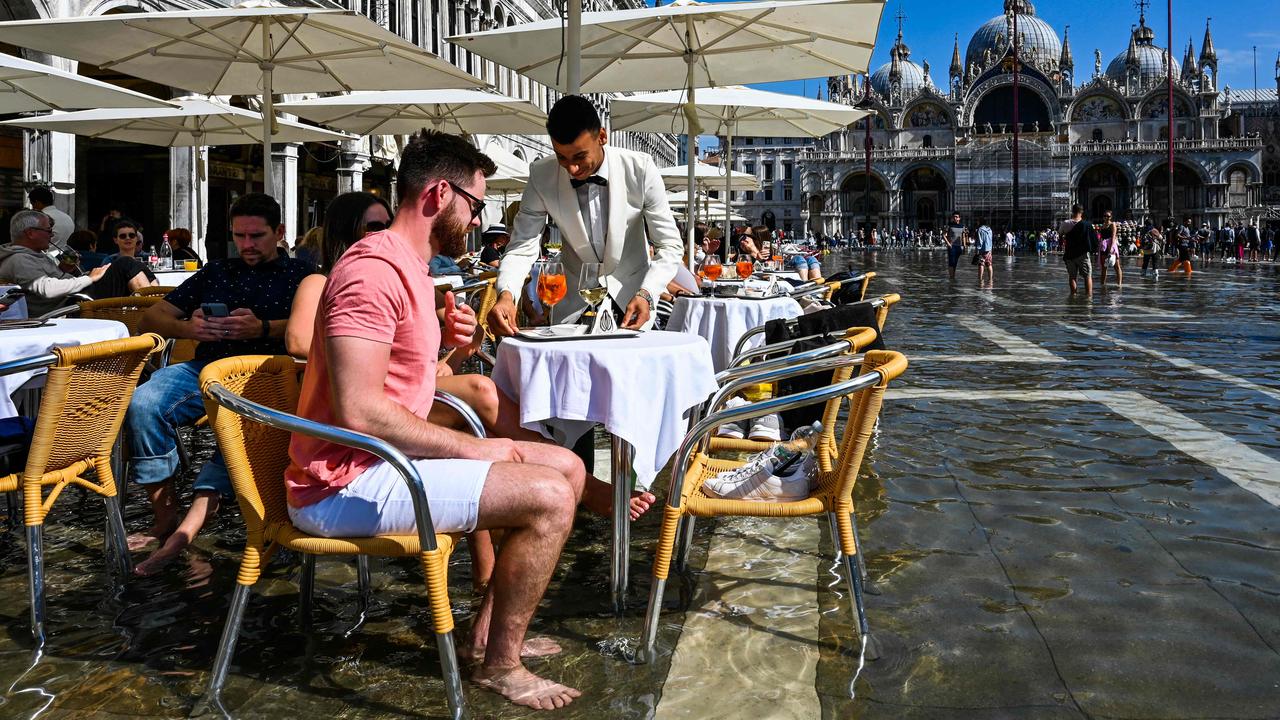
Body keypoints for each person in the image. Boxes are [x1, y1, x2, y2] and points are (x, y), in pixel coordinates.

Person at [288, 130, 584, 710]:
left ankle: (487, 637)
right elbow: (360, 410)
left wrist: (448, 352)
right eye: (474, 204)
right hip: (340, 482)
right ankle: (502, 666)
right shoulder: (371, 272)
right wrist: (470, 449)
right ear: (439, 194)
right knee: (547, 495)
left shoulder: (413, 270)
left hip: (382, 464)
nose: (476, 219)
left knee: (569, 468)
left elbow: (403, 388)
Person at [124, 193, 312, 576]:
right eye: (239, 236)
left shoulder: (302, 276)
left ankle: (198, 524)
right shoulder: (218, 271)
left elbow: (312, 330)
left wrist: (261, 327)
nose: (246, 245)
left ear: (279, 232)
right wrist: (189, 328)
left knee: (239, 434)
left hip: (270, 378)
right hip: (205, 369)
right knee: (142, 403)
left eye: (256, 236)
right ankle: (165, 516)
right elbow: (152, 318)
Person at [487, 94, 681, 334]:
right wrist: (506, 295)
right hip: (572, 309)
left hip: (632, 303)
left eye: (579, 156)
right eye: (562, 157)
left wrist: (648, 293)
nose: (572, 168)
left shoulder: (640, 169)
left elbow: (670, 246)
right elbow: (521, 247)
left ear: (602, 136)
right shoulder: (541, 175)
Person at [0, 210, 154, 317]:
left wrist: (65, 269)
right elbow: (47, 288)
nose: (52, 234)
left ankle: (157, 305)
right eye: (48, 230)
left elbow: (51, 281)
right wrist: (89, 279)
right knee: (125, 263)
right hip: (69, 307)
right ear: (30, 233)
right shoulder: (19, 259)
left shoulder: (34, 255)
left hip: (73, 300)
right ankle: (155, 311)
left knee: (133, 266)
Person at [1060, 204, 1094, 296]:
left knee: (1072, 277)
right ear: (1082, 212)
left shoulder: (1065, 223)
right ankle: (1088, 297)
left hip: (1070, 254)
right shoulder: (1087, 225)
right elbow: (1093, 240)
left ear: (1072, 211)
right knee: (1087, 276)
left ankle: (1073, 296)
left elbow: (1060, 236)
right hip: (1083, 254)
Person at [28, 186, 73, 252]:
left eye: (32, 204)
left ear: (37, 202)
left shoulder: (39, 218)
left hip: (44, 258)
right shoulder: (67, 217)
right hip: (64, 257)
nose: (32, 207)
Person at [1097, 211, 1122, 287]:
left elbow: (1113, 236)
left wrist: (1111, 248)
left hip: (1111, 246)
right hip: (1104, 247)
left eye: (1108, 216)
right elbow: (1101, 237)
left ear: (1111, 217)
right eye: (1105, 216)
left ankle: (1119, 284)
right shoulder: (1102, 226)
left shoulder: (1112, 224)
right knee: (1104, 267)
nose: (1106, 218)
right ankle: (1102, 284)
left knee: (1116, 266)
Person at [945, 212, 967, 279]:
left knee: (955, 263)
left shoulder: (962, 226)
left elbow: (963, 236)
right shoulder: (949, 225)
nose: (955, 218)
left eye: (956, 216)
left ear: (959, 218)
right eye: (954, 217)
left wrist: (964, 246)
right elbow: (944, 235)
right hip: (952, 246)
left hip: (959, 247)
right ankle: (951, 278)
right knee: (951, 262)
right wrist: (948, 244)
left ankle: (953, 277)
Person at [975, 218, 994, 285]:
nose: (976, 222)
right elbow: (991, 240)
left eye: (977, 221)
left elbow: (980, 241)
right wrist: (991, 249)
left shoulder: (980, 229)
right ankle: (990, 280)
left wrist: (977, 250)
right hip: (989, 250)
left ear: (980, 222)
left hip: (982, 250)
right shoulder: (989, 229)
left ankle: (980, 281)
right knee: (989, 265)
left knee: (981, 264)